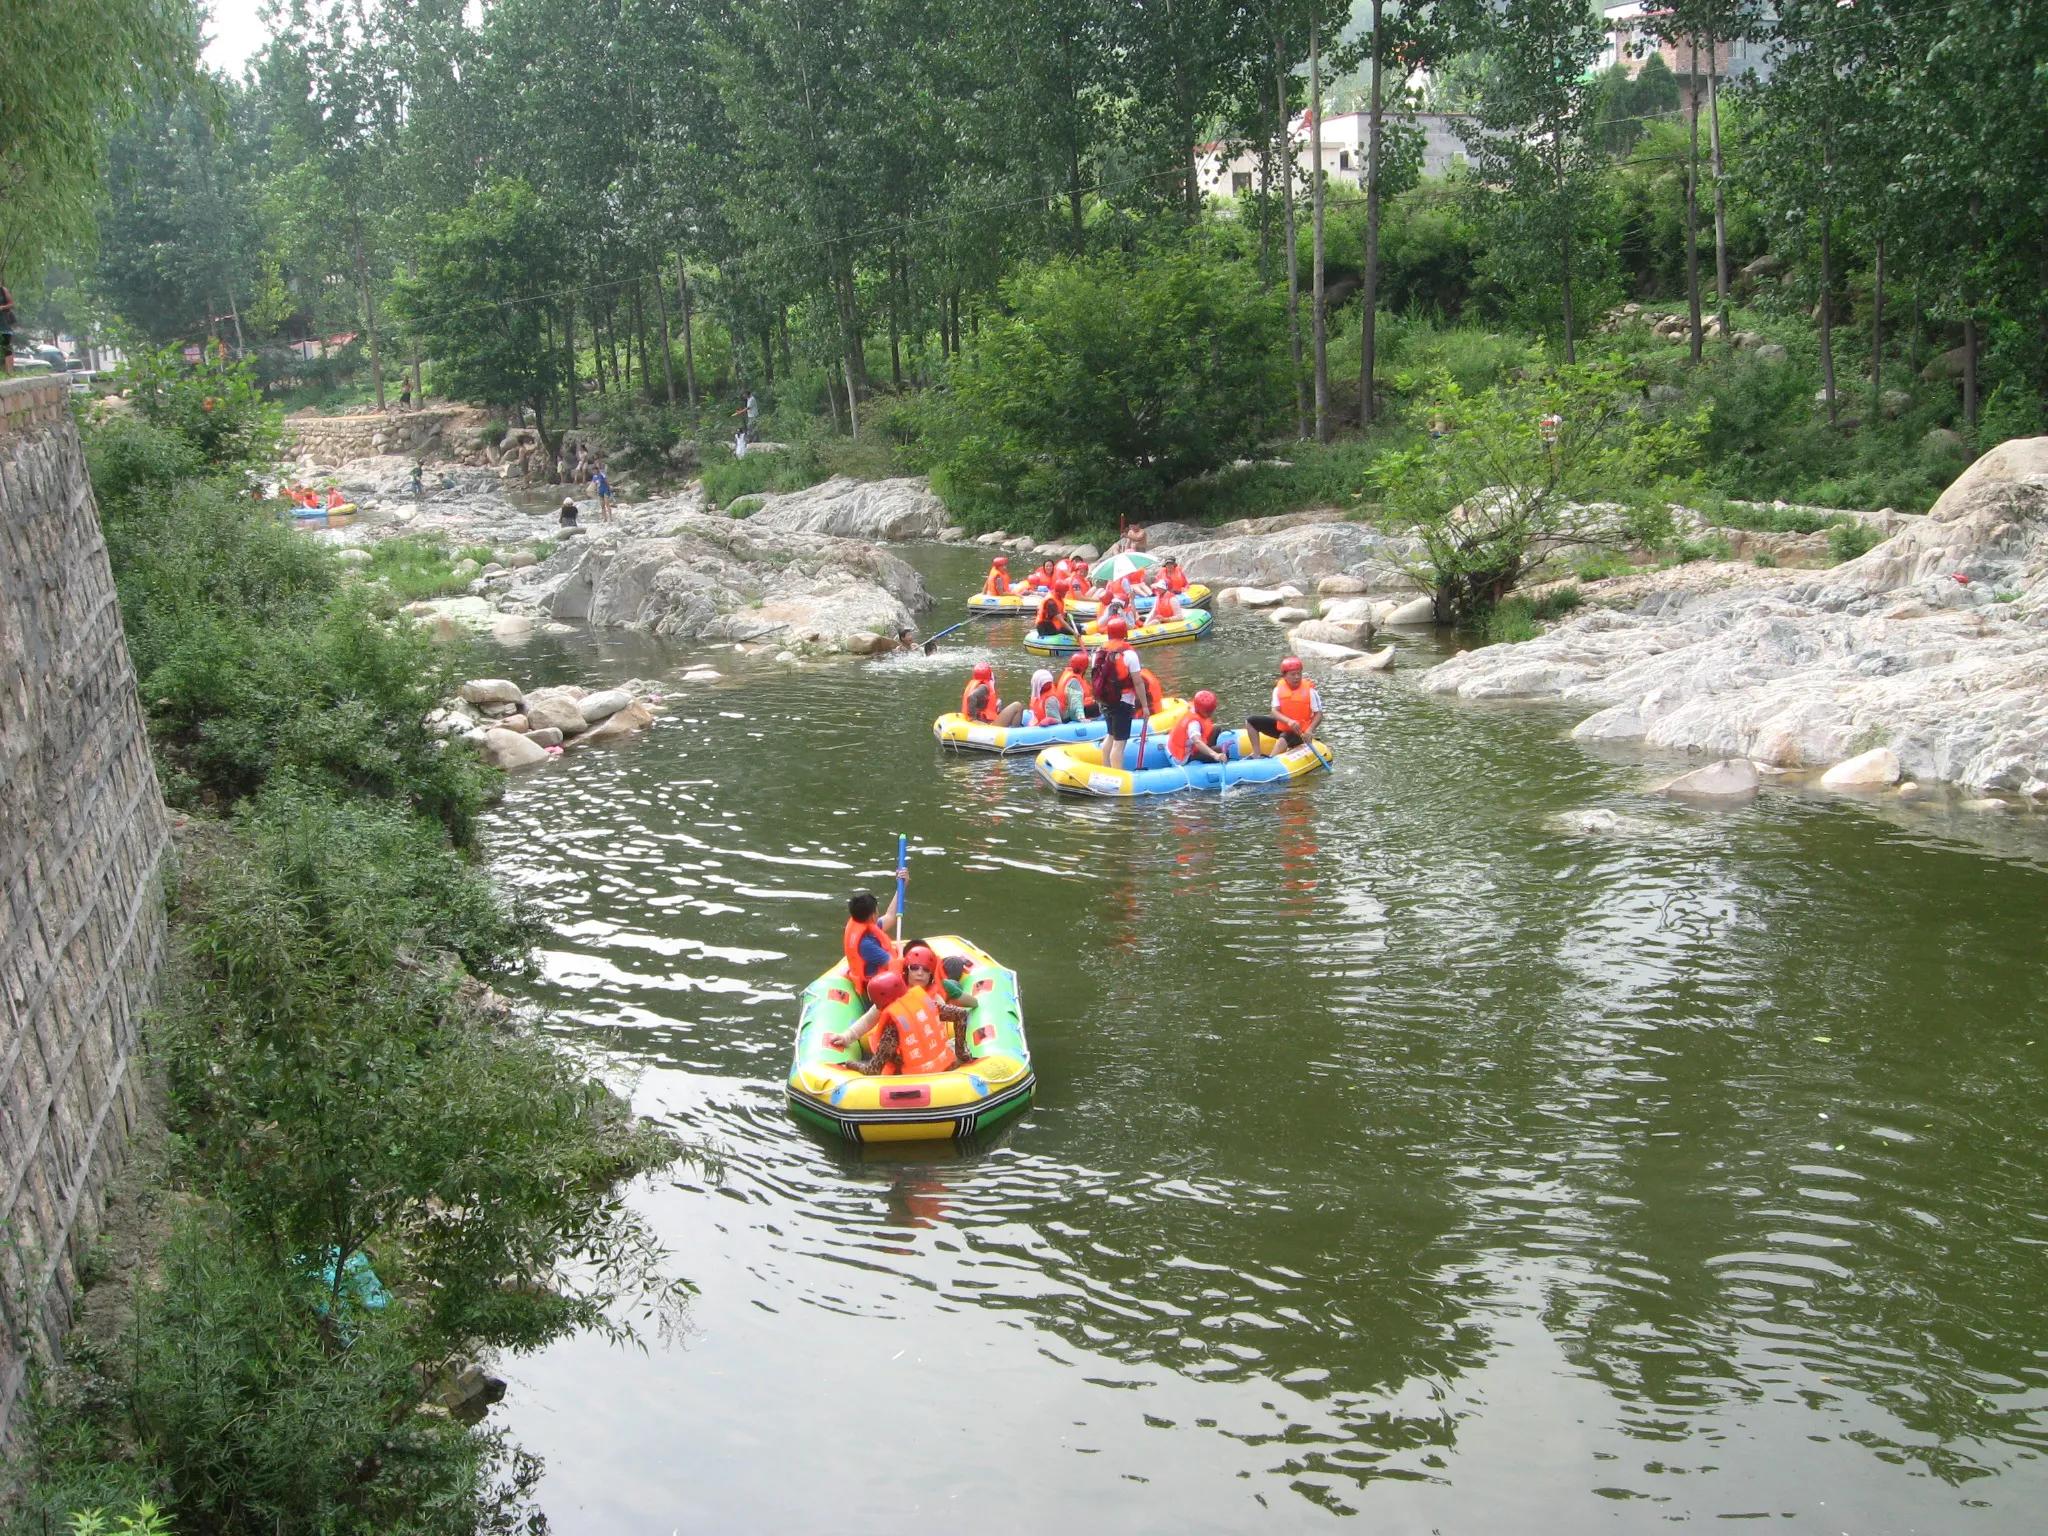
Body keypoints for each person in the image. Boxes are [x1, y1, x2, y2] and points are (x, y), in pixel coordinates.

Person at [1092, 617, 1151, 772]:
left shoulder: (1098, 651)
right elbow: (1138, 682)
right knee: (1119, 742)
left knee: (1110, 735)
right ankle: (1117, 775)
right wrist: (1145, 706)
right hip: (1123, 702)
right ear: (1125, 633)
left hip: (1104, 700)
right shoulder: (1129, 655)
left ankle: (1106, 768)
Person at [901, 943, 977, 1062]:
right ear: (907, 969)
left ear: (931, 974)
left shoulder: (943, 988)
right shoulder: (894, 989)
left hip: (928, 1049)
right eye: (914, 967)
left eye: (925, 969)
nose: (920, 973)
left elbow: (973, 1003)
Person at [1246, 656, 1323, 756]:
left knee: (1285, 736)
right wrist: (1288, 721)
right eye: (1293, 674)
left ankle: (1271, 760)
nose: (1297, 677)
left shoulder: (1310, 691)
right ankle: (1256, 753)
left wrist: (1309, 730)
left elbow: (1319, 714)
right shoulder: (1278, 689)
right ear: (1285, 676)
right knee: (1251, 720)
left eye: (1299, 674)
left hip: (1301, 732)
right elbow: (1274, 711)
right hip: (1284, 727)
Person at [842, 881, 904, 1003]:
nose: (878, 912)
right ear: (872, 916)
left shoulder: (864, 924)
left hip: (877, 980)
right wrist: (901, 951)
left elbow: (890, 916)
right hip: (877, 991)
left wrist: (901, 886)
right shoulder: (866, 945)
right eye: (876, 910)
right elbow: (893, 965)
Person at [1168, 689, 1229, 765]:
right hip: (1184, 756)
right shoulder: (1194, 723)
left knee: (1216, 729)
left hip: (1189, 747)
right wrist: (1215, 755)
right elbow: (1197, 741)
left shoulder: (1194, 709)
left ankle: (1209, 753)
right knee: (1223, 751)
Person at [961, 662, 1026, 727]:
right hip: (990, 725)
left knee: (999, 702)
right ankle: (1014, 733)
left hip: (984, 720)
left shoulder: (976, 684)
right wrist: (973, 719)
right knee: (1018, 706)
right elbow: (972, 697)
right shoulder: (984, 687)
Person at [1060, 653, 1099, 720]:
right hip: (1068, 714)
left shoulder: (1069, 673)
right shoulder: (1074, 681)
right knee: (1099, 706)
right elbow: (1075, 703)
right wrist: (1081, 718)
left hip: (1066, 710)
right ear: (1084, 667)